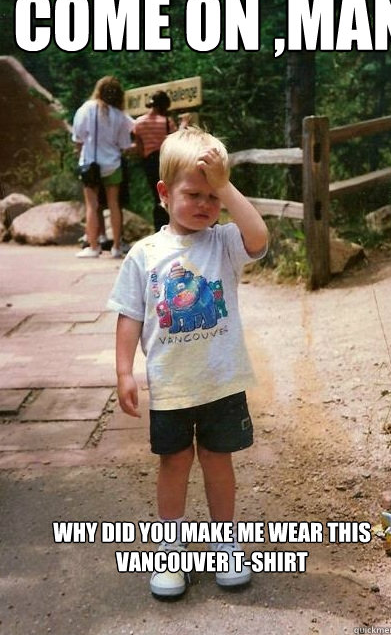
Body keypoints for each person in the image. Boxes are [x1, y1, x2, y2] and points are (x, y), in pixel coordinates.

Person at [107, 126, 268, 598]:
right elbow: (129, 315)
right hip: (171, 386)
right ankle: (171, 550)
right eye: (193, 194)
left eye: (212, 197)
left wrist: (226, 187)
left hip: (220, 382)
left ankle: (225, 544)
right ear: (163, 193)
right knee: (174, 463)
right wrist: (123, 371)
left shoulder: (223, 243)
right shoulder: (145, 254)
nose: (205, 205)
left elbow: (258, 236)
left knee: (219, 462)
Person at [73, 76, 134, 258]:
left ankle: (93, 247)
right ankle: (116, 246)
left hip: (90, 164)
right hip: (113, 164)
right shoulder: (120, 115)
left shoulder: (86, 109)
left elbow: (78, 138)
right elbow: (124, 145)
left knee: (92, 206)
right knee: (114, 205)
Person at [134, 90, 189, 232]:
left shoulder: (139, 122)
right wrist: (184, 123)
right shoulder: (166, 121)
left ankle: (158, 228)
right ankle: (172, 226)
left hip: (148, 161)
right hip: (163, 160)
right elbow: (176, 138)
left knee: (156, 194)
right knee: (168, 192)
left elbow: (139, 148)